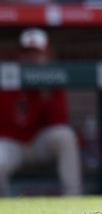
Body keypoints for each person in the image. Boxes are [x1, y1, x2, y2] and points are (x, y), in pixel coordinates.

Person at [0, 28, 82, 196]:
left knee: (65, 135)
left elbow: (60, 121)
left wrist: (45, 93)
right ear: (19, 56)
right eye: (27, 53)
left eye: (36, 54)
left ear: (47, 56)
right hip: (11, 143)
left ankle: (74, 198)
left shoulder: (53, 80)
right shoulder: (6, 77)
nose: (31, 59)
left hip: (39, 143)